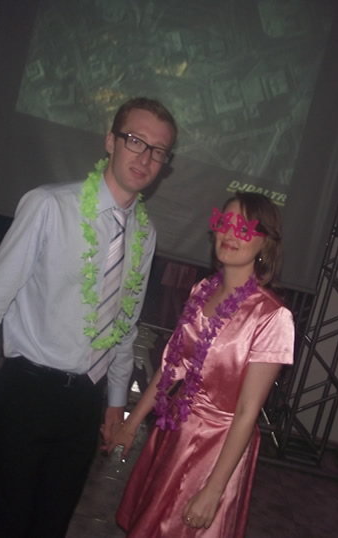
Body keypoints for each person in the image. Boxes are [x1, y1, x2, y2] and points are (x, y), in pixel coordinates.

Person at [0, 97, 177, 537]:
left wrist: (115, 402)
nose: (145, 157)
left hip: (85, 402)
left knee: (51, 526)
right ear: (111, 141)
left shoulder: (145, 235)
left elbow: (124, 326)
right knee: (5, 528)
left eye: (158, 150)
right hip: (28, 389)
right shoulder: (49, 206)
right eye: (135, 140)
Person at [105, 192, 295, 537]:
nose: (230, 233)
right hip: (174, 433)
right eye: (224, 222)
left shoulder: (272, 316)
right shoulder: (202, 290)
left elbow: (247, 412)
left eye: (244, 227)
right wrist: (131, 425)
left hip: (218, 449)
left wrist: (214, 490)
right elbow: (172, 365)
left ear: (265, 242)